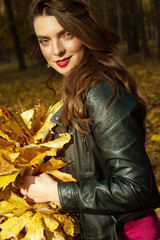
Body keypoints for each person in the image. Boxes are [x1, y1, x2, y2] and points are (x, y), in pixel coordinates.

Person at [20, 0, 160, 239]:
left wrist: (57, 192)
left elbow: (136, 188)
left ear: (85, 33)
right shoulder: (77, 90)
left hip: (125, 233)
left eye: (66, 34)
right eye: (45, 40)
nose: (57, 50)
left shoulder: (102, 92)